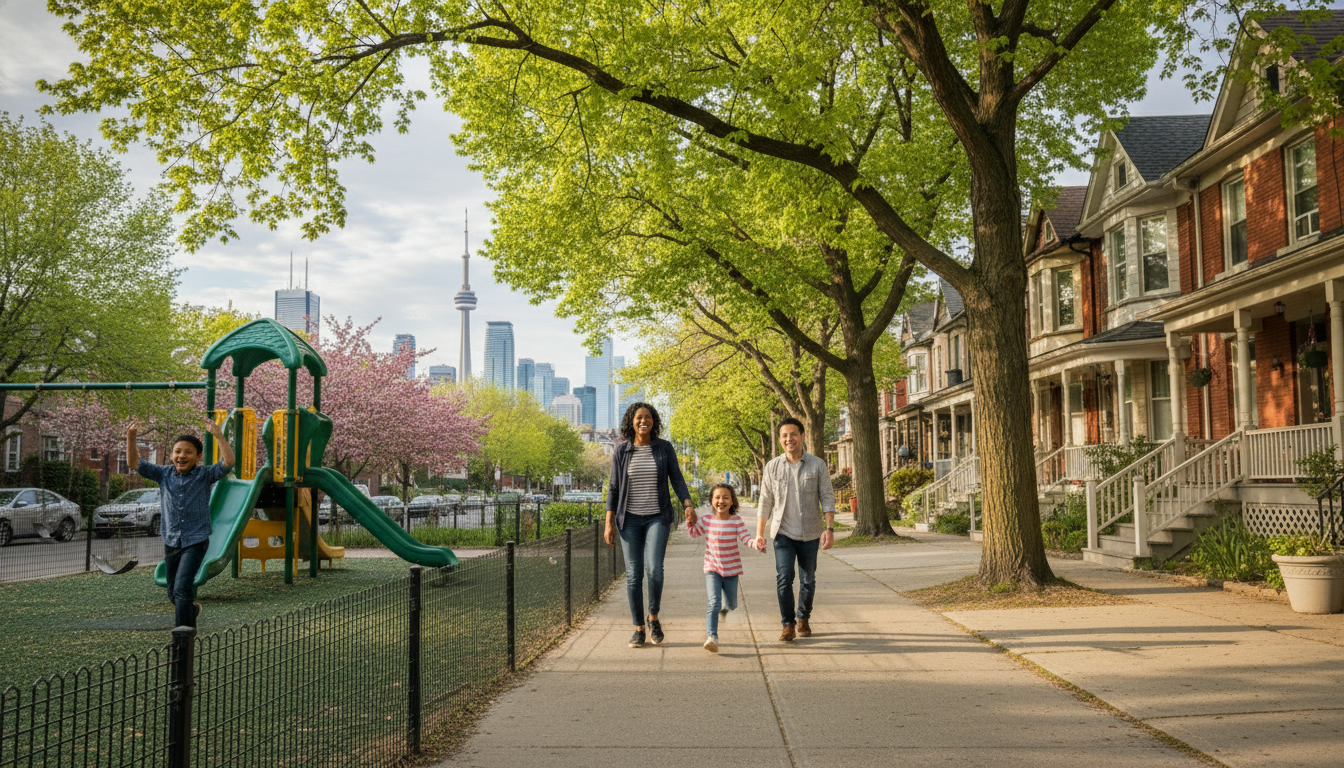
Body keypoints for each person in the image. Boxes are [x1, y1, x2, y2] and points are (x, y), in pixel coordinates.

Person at [127, 419, 235, 628]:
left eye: (188, 452)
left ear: (198, 456)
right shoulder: (163, 474)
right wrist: (131, 438)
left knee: (182, 588)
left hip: (196, 539)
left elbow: (228, 462)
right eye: (177, 451)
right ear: (171, 455)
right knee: (172, 592)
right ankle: (191, 611)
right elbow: (134, 463)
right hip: (172, 539)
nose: (182, 456)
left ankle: (183, 638)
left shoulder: (204, 474)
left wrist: (219, 436)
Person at [605, 402, 695, 648]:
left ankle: (653, 616)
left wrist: (687, 504)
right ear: (631, 422)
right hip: (629, 519)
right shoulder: (622, 452)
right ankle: (638, 628)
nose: (643, 421)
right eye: (638, 418)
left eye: (648, 417)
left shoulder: (664, 448)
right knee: (634, 575)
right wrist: (609, 523)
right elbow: (613, 489)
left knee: (654, 569)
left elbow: (676, 478)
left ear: (653, 421)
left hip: (658, 516)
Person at [754, 417, 835, 642]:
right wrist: (759, 534)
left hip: (810, 532)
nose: (789, 439)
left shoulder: (817, 465)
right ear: (780, 439)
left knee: (808, 579)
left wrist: (829, 528)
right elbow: (765, 501)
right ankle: (787, 623)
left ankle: (803, 618)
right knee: (784, 577)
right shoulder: (772, 466)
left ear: (802, 436)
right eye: (784, 436)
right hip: (783, 533)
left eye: (793, 434)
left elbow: (827, 497)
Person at [686, 483, 756, 653]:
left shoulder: (736, 521)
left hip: (732, 570)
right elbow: (695, 533)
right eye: (717, 497)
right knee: (713, 603)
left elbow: (746, 538)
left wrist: (756, 543)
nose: (721, 501)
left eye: (726, 497)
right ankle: (712, 637)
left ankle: (727, 604)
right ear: (711, 500)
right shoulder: (707, 520)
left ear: (732, 501)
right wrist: (690, 523)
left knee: (731, 604)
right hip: (712, 568)